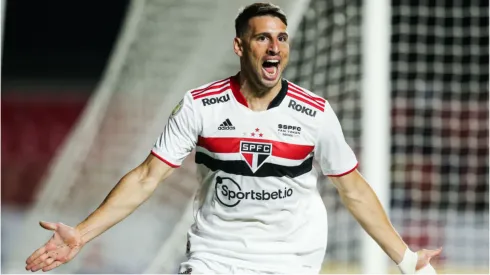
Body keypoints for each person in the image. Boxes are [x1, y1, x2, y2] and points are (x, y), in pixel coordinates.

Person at [25, 3, 441, 274]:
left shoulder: (314, 112)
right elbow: (146, 178)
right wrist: (81, 232)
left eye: (282, 37)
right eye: (263, 37)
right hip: (215, 257)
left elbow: (353, 191)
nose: (275, 46)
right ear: (240, 47)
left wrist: (406, 259)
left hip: (290, 260)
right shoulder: (200, 106)